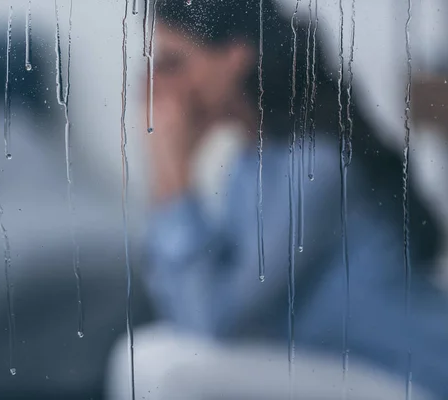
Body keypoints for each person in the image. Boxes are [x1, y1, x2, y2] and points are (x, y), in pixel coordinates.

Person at [107, 0, 448, 398]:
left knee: (154, 364)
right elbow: (188, 311)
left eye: (174, 63)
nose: (158, 85)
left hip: (404, 377)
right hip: (328, 362)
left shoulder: (313, 165)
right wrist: (169, 178)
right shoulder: (250, 161)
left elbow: (216, 318)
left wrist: (173, 178)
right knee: (151, 355)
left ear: (235, 58)